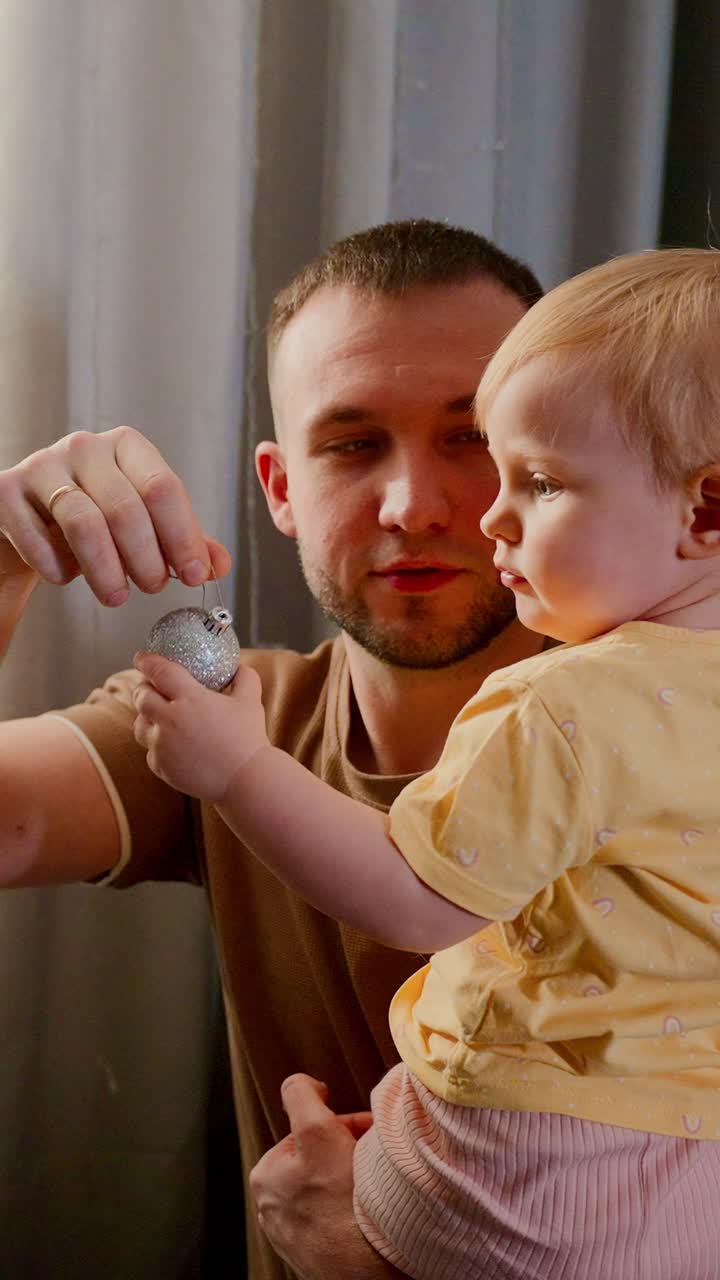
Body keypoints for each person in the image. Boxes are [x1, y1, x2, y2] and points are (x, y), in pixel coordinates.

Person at [133, 247, 720, 1280]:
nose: (478, 512)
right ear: (278, 484)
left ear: (705, 509)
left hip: (530, 1189)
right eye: (354, 443)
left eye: (533, 479)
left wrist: (235, 769)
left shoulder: (568, 700)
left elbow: (415, 897)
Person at [0, 219, 544, 1279]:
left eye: (471, 435)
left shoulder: (674, 738)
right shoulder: (225, 719)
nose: (411, 504)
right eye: (349, 443)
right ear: (280, 486)